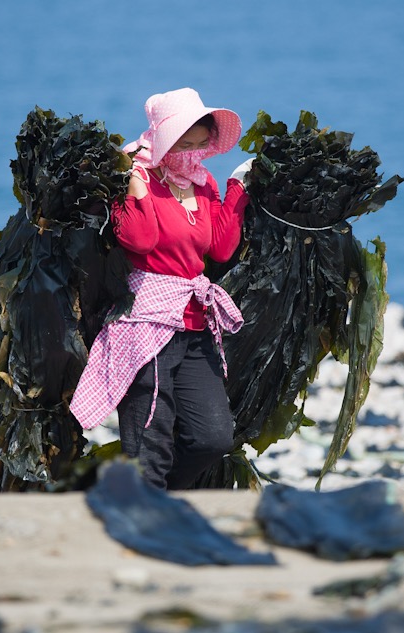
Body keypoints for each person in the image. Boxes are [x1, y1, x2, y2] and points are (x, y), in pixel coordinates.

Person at [70, 88, 251, 490]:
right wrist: (136, 181)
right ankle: (146, 510)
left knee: (212, 438)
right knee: (150, 444)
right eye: (184, 145)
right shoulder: (135, 179)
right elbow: (141, 239)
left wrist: (237, 188)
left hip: (194, 322)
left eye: (201, 145)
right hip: (146, 323)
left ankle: (153, 499)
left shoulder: (203, 183)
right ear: (164, 142)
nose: (193, 154)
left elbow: (220, 248)